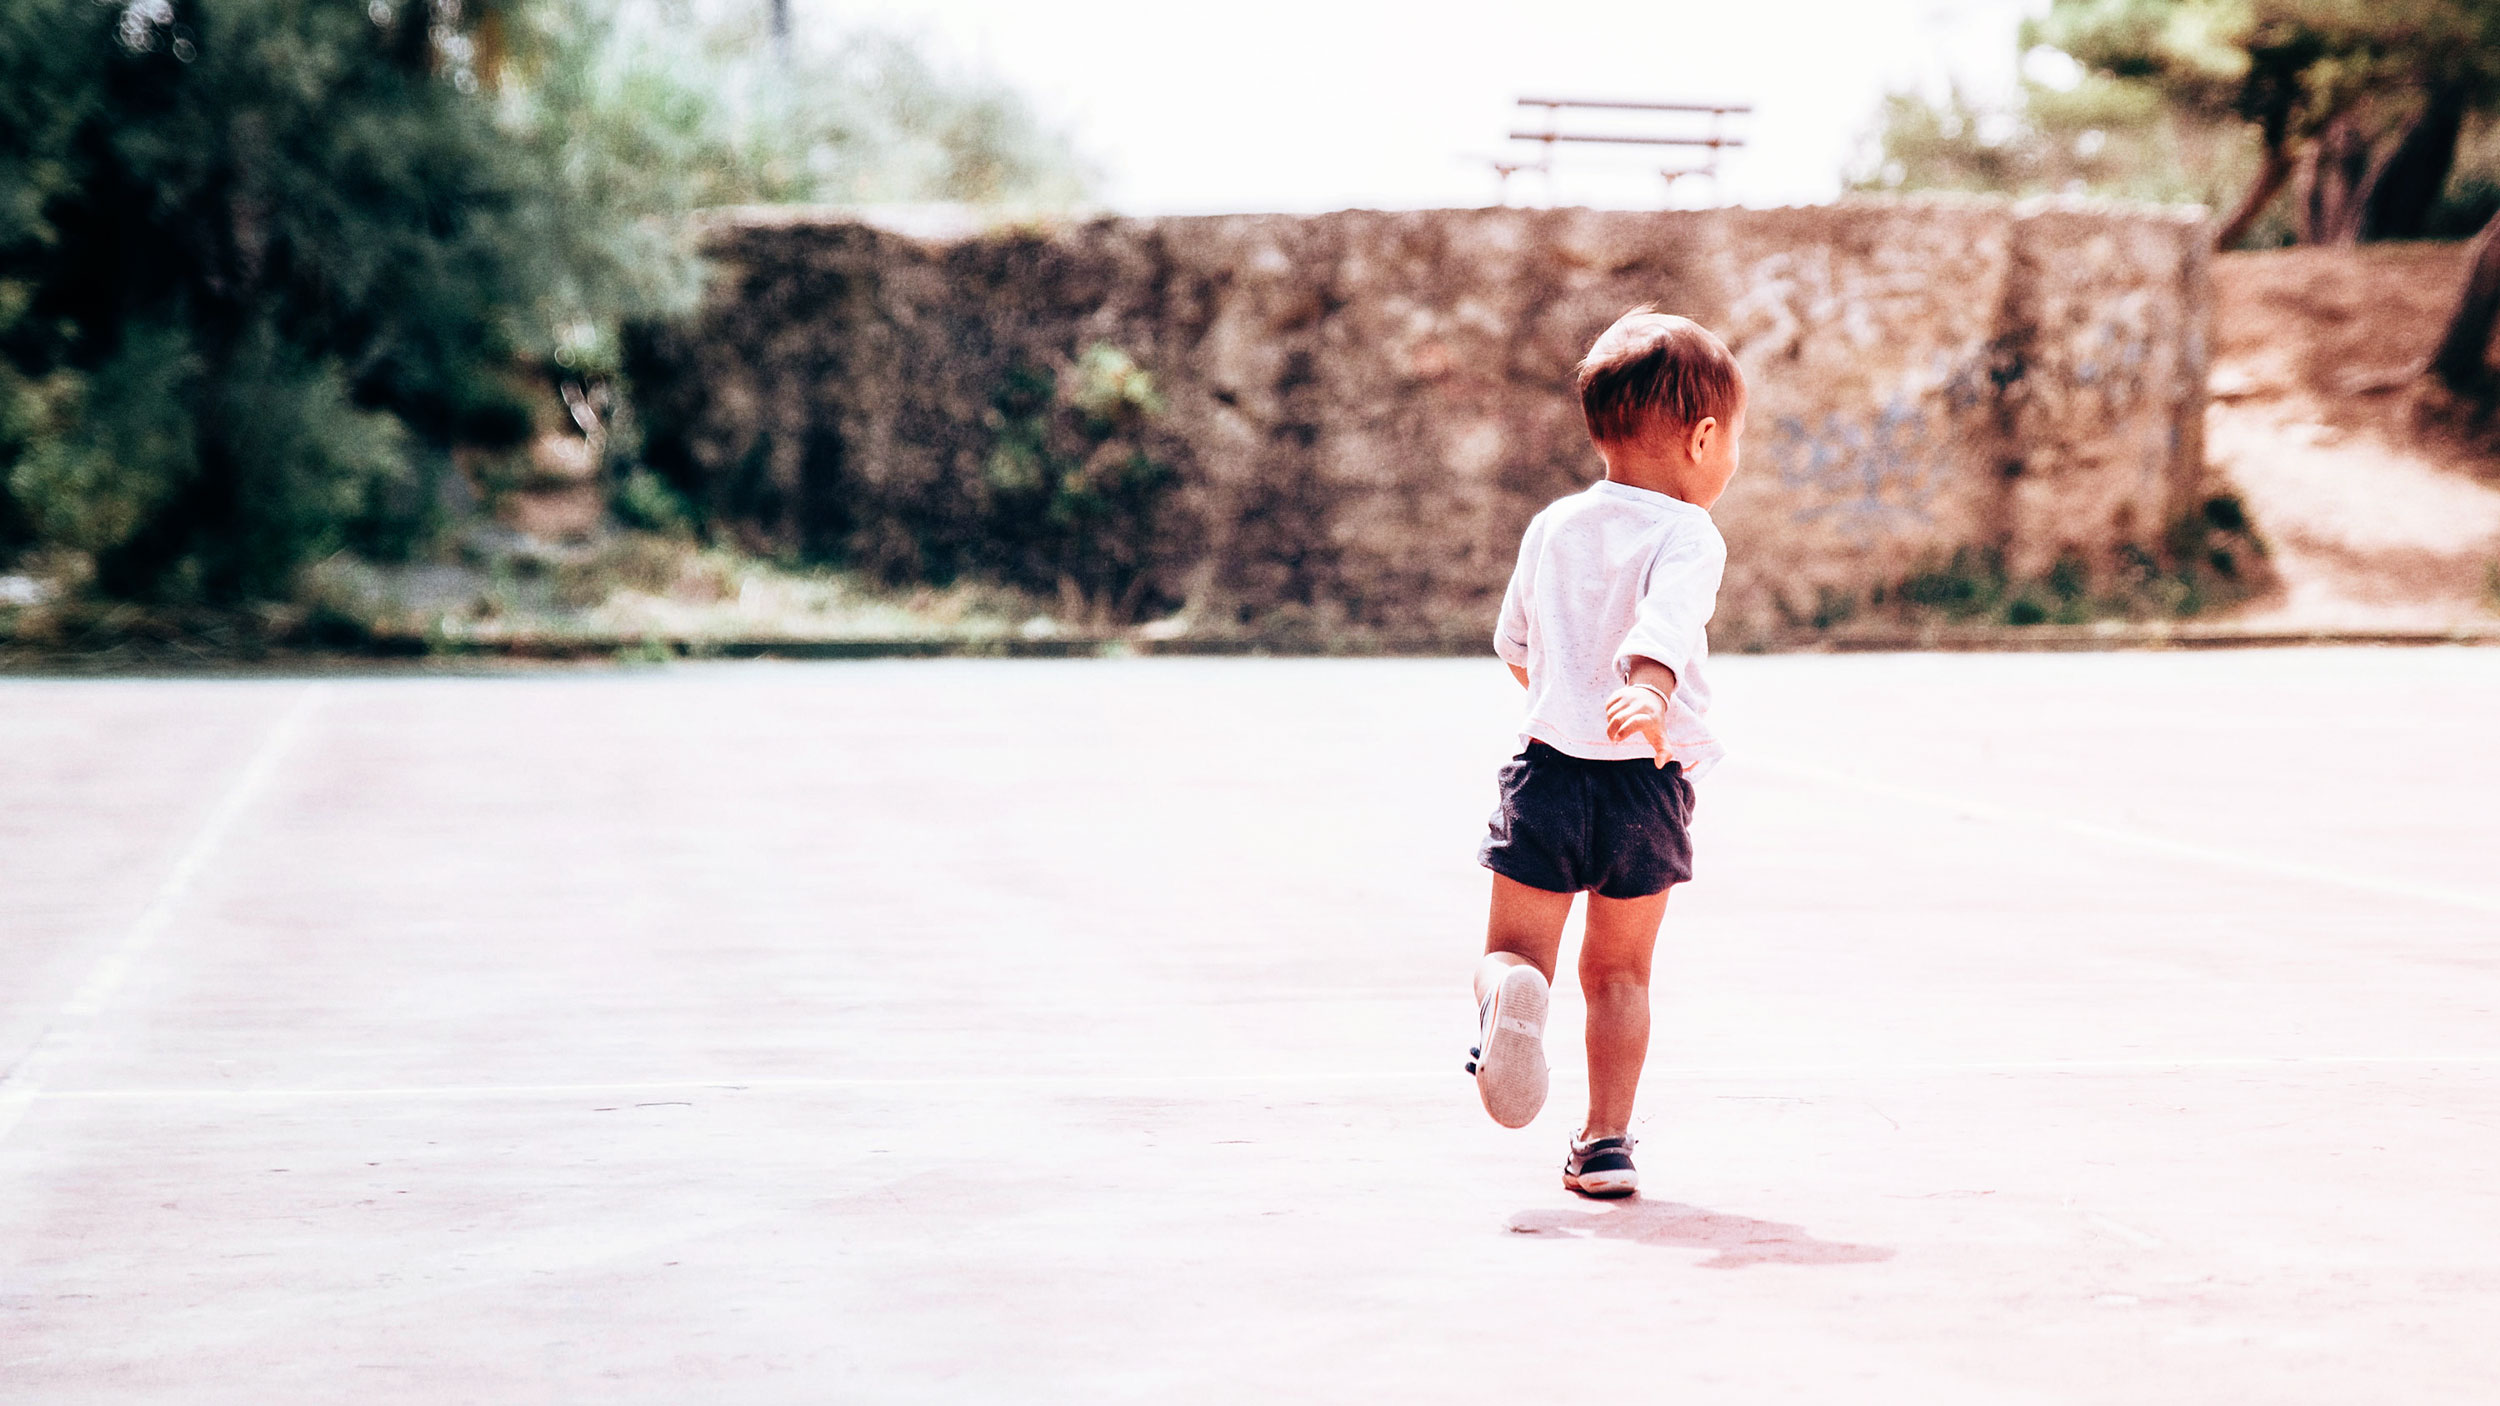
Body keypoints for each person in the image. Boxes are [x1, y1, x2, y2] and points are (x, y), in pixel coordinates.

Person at [1465, 307, 1743, 1199]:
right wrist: (1648, 692)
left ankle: (1508, 998)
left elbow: (1515, 647)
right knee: (1619, 973)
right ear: (1705, 438)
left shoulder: (1552, 526)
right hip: (1644, 788)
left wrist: (1573, 704)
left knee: (1515, 951)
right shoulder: (1690, 532)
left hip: (1550, 773)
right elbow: (1669, 623)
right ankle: (1606, 1143)